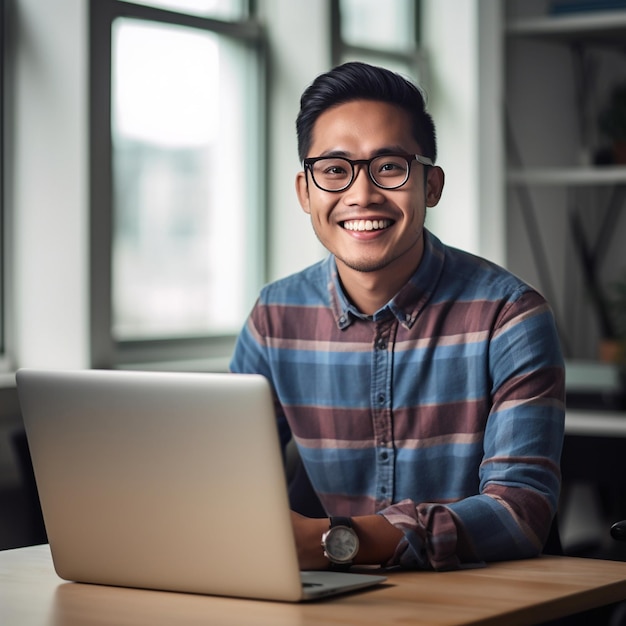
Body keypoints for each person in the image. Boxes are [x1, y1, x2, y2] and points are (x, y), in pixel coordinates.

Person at [230, 61, 565, 571]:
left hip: (479, 603)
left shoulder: (510, 316)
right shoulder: (275, 317)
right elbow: (228, 484)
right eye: (335, 170)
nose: (361, 195)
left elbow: (519, 512)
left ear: (431, 185)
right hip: (334, 604)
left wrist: (338, 541)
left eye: (389, 167)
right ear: (305, 191)